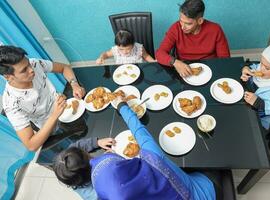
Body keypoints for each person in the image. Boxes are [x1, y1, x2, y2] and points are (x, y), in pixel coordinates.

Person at [53, 97, 217, 200]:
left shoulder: (91, 191)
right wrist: (122, 105)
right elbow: (140, 132)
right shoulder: (153, 159)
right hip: (201, 194)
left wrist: (96, 144)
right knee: (209, 167)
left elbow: (75, 157)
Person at [0, 45, 85, 151]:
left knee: (85, 133)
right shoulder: (11, 104)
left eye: (28, 64)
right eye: (24, 70)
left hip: (66, 108)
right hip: (50, 131)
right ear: (8, 77)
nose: (31, 70)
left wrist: (74, 84)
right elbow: (31, 145)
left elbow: (65, 68)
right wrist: (54, 115)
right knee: (75, 149)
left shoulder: (35, 64)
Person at [155, 0, 230, 77]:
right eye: (181, 21)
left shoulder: (215, 29)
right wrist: (175, 62)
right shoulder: (175, 28)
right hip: (184, 67)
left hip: (211, 67)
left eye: (188, 23)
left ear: (200, 21)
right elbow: (159, 53)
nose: (182, 27)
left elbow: (225, 59)